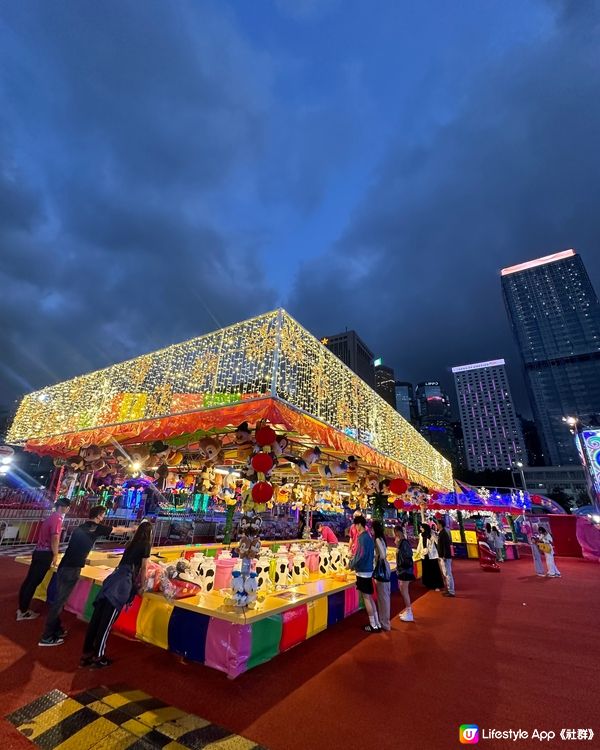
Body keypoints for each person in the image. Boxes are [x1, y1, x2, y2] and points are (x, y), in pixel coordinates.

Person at [81, 519, 152, 668]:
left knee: (97, 618)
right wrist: (142, 586)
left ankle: (87, 652)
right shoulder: (145, 545)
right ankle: (98, 657)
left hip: (112, 580)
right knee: (106, 624)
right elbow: (144, 568)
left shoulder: (131, 544)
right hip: (121, 586)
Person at [38, 505, 111, 647]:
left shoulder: (82, 527)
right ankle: (47, 636)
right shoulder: (95, 528)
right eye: (102, 515)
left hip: (65, 565)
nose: (103, 518)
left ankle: (56, 629)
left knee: (59, 599)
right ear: (98, 515)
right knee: (59, 602)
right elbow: (118, 530)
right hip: (72, 568)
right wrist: (135, 529)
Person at [17, 497, 71, 621]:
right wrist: (55, 554)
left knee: (29, 580)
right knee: (33, 582)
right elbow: (55, 538)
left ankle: (22, 608)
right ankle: (23, 611)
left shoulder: (50, 517)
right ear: (64, 507)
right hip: (45, 554)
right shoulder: (57, 519)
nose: (68, 510)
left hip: (38, 552)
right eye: (68, 507)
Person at [348, 515, 381, 633]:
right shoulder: (369, 536)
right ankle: (377, 623)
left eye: (355, 526)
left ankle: (373, 625)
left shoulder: (362, 538)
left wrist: (350, 564)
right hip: (368, 570)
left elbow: (359, 555)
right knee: (370, 598)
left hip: (362, 572)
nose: (355, 528)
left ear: (359, 525)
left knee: (366, 598)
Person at [394, 524, 416, 621]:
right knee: (403, 589)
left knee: (404, 590)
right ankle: (407, 610)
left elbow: (406, 557)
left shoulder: (403, 543)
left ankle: (409, 612)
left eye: (395, 534)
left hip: (405, 570)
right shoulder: (403, 543)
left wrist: (398, 547)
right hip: (404, 570)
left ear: (398, 533)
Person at [372, 520, 391, 631]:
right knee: (385, 596)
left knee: (383, 597)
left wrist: (376, 558)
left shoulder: (378, 539)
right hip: (385, 567)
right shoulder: (382, 539)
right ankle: (384, 620)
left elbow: (382, 555)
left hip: (381, 568)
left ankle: (384, 622)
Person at [415, 522, 444, 590]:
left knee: (434, 570)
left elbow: (437, 542)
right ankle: (428, 583)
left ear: (424, 528)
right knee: (426, 570)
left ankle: (436, 585)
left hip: (431, 555)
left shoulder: (432, 534)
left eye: (421, 527)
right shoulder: (421, 535)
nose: (420, 528)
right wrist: (417, 552)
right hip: (424, 555)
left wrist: (434, 535)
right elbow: (420, 544)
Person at [435, 517, 455, 597]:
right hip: (443, 556)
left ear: (440, 525)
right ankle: (449, 590)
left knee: (447, 573)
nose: (436, 525)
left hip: (445, 557)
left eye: (437, 524)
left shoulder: (443, 533)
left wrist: (444, 556)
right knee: (446, 573)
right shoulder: (441, 533)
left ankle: (451, 591)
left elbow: (446, 545)